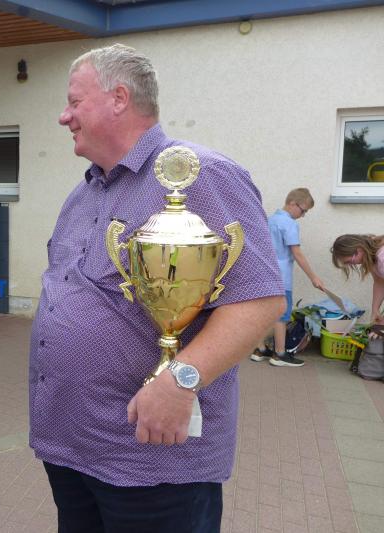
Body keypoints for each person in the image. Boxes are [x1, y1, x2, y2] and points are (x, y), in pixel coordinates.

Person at [30, 43, 285, 532]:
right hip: (71, 447)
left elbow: (259, 297)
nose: (64, 117)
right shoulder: (83, 193)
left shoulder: (199, 175)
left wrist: (181, 378)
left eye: (74, 102)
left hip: (153, 459)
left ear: (119, 98)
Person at [250, 188, 325, 367]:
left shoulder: (269, 220)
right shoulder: (289, 224)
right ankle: (280, 354)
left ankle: (260, 349)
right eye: (303, 210)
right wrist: (313, 277)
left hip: (264, 274)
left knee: (263, 314)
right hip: (281, 278)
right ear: (292, 203)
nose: (303, 215)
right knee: (281, 315)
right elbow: (296, 252)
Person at [331, 234, 384, 327]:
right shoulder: (371, 257)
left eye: (349, 261)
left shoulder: (382, 258)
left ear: (359, 250)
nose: (351, 265)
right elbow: (379, 282)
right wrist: (375, 310)